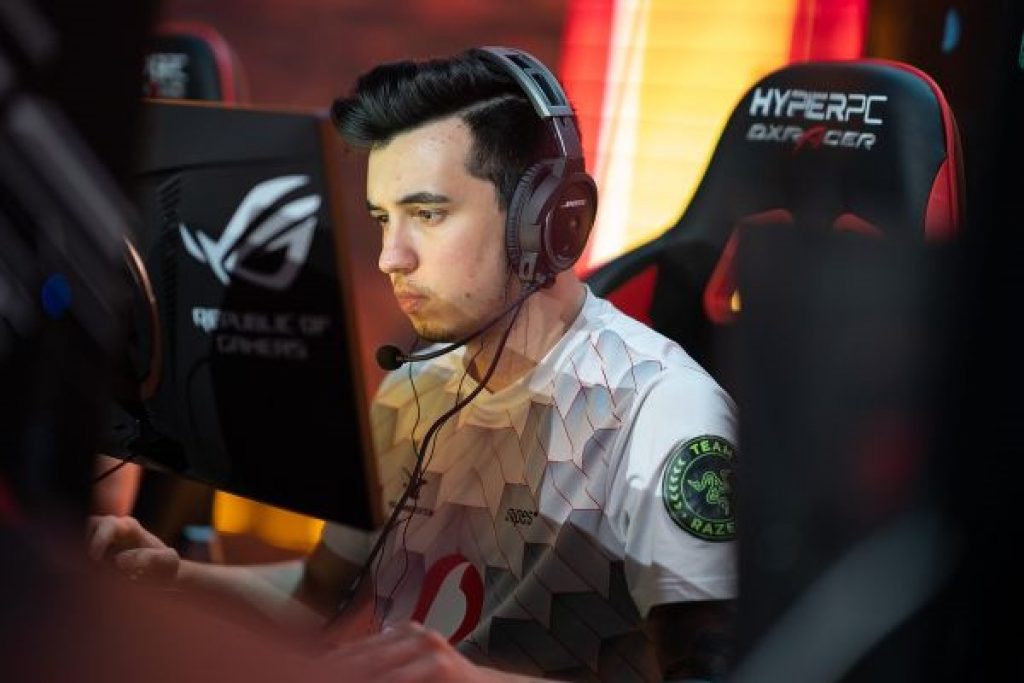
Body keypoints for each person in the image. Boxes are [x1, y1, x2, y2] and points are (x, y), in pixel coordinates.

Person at [89, 47, 738, 682]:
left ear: (548, 223)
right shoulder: (415, 385)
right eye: (383, 219)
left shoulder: (663, 412)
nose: (389, 257)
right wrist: (176, 574)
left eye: (427, 213)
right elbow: (322, 600)